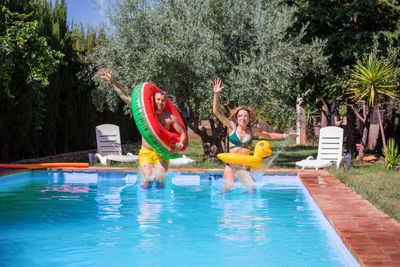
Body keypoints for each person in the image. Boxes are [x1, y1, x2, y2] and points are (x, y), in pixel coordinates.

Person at [98, 69, 188, 188]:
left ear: (166, 102)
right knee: (148, 181)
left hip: (162, 153)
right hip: (146, 152)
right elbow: (125, 97)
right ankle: (145, 204)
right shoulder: (145, 113)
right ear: (153, 100)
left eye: (163, 100)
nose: (160, 102)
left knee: (159, 181)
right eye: (158, 100)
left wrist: (179, 145)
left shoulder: (170, 118)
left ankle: (160, 205)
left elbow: (183, 134)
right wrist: (113, 81)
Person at [212, 78, 297, 192]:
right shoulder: (232, 127)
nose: (243, 118)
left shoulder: (252, 130)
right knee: (229, 187)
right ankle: (222, 205)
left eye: (245, 116)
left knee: (252, 190)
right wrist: (216, 94)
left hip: (244, 168)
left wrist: (285, 135)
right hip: (231, 166)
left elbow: (269, 135)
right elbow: (216, 112)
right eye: (240, 116)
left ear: (249, 118)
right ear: (237, 118)